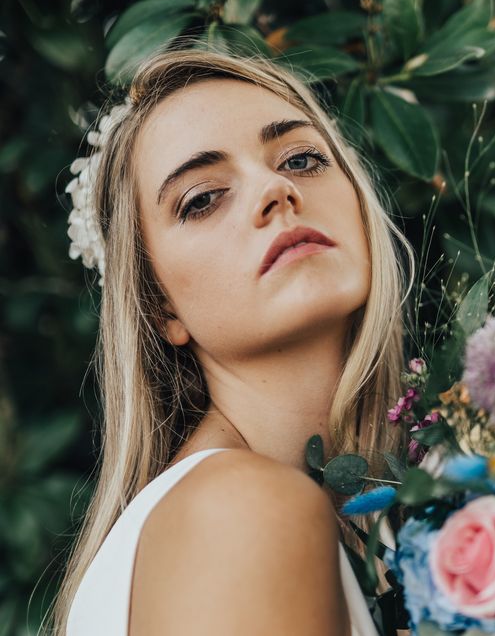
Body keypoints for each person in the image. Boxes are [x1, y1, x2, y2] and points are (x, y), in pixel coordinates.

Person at [45, 46, 416, 635]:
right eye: (202, 198)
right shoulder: (238, 512)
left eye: (300, 158)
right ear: (159, 303)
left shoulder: (408, 516)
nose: (275, 189)